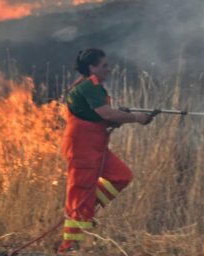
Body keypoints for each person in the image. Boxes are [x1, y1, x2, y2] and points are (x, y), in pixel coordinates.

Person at [57, 48, 154, 254]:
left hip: (94, 146)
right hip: (82, 147)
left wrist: (119, 117)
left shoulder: (88, 86)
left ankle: (87, 213)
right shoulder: (90, 86)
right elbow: (106, 113)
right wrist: (136, 117)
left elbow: (101, 117)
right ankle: (70, 247)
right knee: (80, 193)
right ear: (92, 68)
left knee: (121, 176)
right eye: (104, 66)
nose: (108, 70)